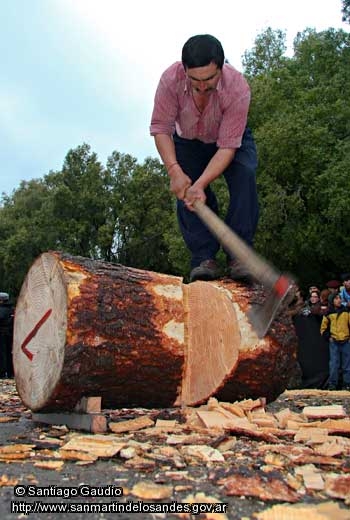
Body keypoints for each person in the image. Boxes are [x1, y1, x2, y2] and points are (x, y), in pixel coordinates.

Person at [150, 34, 258, 282]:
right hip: (187, 141)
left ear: (221, 67)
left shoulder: (238, 88)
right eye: (194, 79)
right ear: (184, 69)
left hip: (229, 140)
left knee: (245, 173)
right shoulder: (170, 80)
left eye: (209, 79)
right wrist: (174, 171)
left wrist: (202, 183)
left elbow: (228, 148)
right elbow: (160, 129)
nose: (201, 86)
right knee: (185, 191)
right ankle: (203, 257)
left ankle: (239, 254)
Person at [320, 293, 350, 390]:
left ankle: (347, 384)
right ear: (332, 300)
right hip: (334, 341)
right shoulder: (328, 313)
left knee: (347, 364)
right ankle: (333, 384)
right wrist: (328, 337)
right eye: (336, 298)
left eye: (340, 298)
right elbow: (323, 328)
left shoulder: (346, 312)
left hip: (345, 340)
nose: (339, 300)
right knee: (334, 364)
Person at [0, 292, 14, 378]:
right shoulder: (12, 309)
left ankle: (1, 373)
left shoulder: (1, 309)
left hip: (1, 334)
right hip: (11, 333)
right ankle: (10, 373)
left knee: (2, 353)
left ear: (1, 301)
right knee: (10, 353)